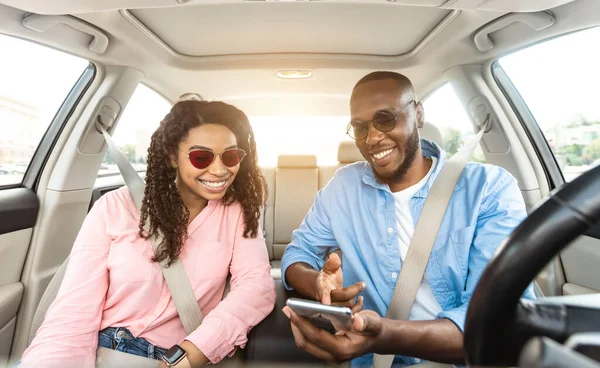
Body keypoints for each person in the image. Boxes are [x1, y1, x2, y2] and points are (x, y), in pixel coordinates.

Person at [281, 71, 535, 367]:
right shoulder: (342, 189)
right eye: (360, 127)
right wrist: (319, 285)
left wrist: (385, 334)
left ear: (418, 114)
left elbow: (494, 319)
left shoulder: (488, 189)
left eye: (386, 119)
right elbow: (297, 254)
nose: (373, 137)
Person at [21, 100, 276, 368]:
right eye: (201, 157)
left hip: (175, 357)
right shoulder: (114, 208)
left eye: (230, 156)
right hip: (102, 350)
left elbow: (255, 287)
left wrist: (191, 354)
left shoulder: (237, 213)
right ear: (171, 156)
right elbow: (74, 313)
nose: (220, 170)